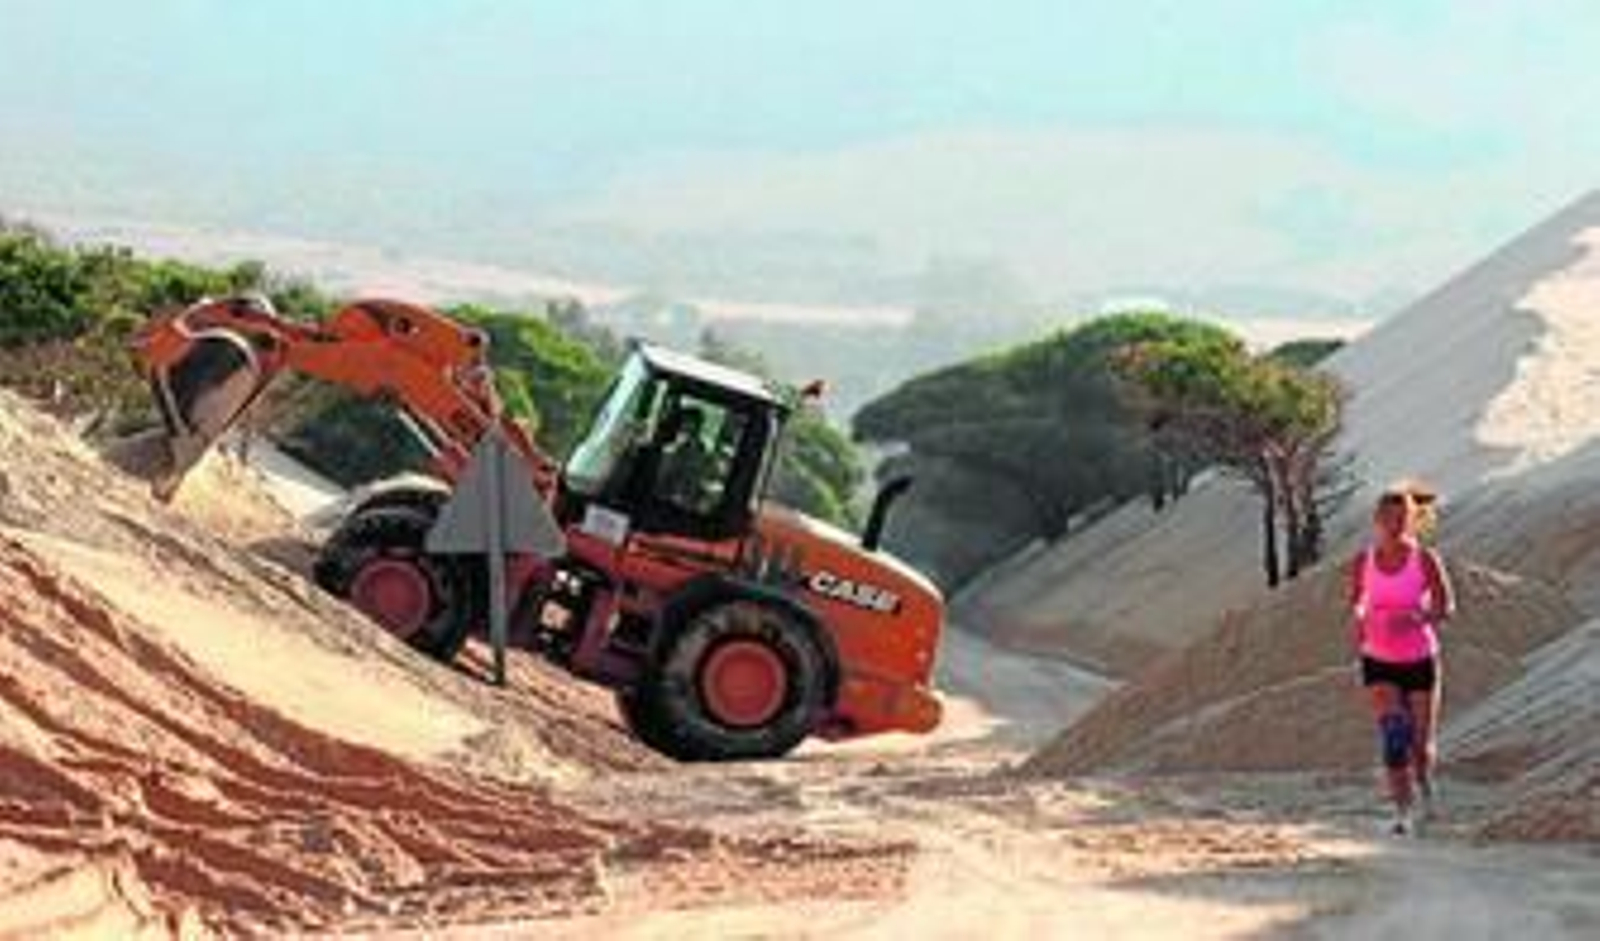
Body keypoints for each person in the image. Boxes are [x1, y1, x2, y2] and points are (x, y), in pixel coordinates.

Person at [1347, 485, 1456, 836]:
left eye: (1402, 519)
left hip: (1420, 658)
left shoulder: (1425, 559)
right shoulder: (1363, 561)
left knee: (1420, 747)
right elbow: (1356, 603)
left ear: (1412, 521)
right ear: (1376, 520)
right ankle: (1402, 813)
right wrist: (1365, 620)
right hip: (1378, 659)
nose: (1394, 525)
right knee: (1395, 735)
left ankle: (1425, 790)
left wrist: (1418, 618)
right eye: (1388, 519)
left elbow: (1446, 608)